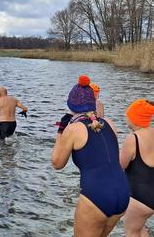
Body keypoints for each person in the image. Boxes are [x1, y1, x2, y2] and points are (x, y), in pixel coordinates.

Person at [51, 75, 130, 237]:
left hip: (96, 196)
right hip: (122, 193)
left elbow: (57, 163)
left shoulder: (73, 129)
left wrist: (61, 130)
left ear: (71, 105)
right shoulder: (109, 123)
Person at [120, 99, 154, 237]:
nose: (126, 119)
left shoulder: (132, 139)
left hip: (139, 198)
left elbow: (121, 165)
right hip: (151, 194)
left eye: (128, 116)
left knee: (131, 232)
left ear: (135, 119)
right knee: (140, 229)